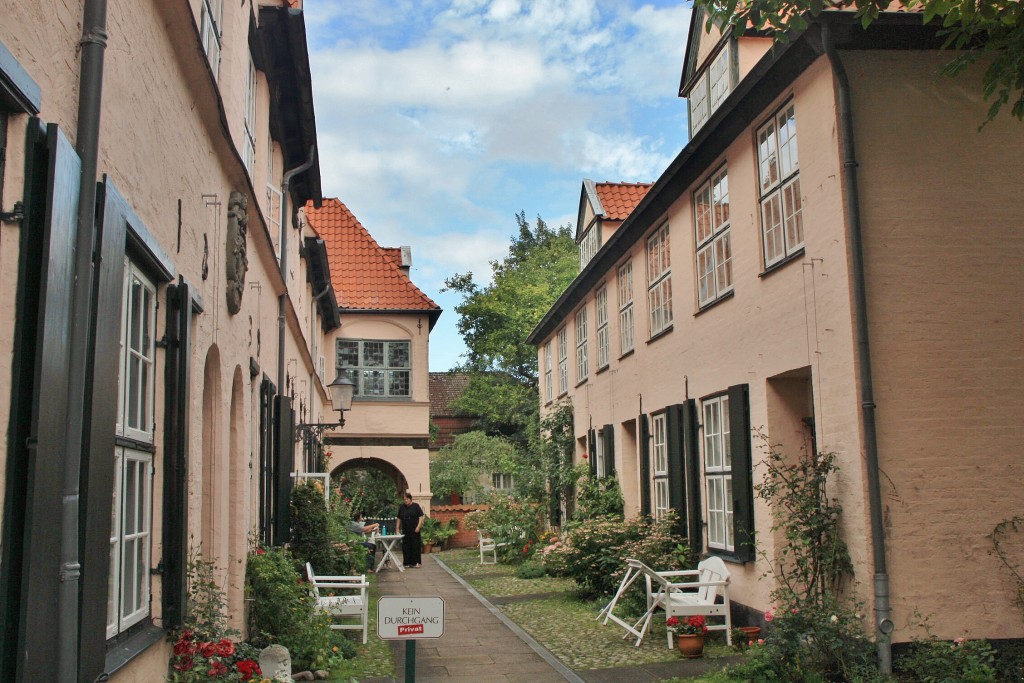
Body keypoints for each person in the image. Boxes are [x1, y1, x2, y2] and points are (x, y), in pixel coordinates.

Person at [396, 492, 424, 568]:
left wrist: (418, 526)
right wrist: (397, 528)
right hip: (405, 529)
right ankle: (407, 562)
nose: (406, 501)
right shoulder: (402, 507)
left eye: (407, 499)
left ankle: (417, 562)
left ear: (410, 499)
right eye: (405, 499)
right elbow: (399, 518)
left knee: (415, 545)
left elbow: (421, 517)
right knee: (406, 546)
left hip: (415, 529)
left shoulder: (416, 506)